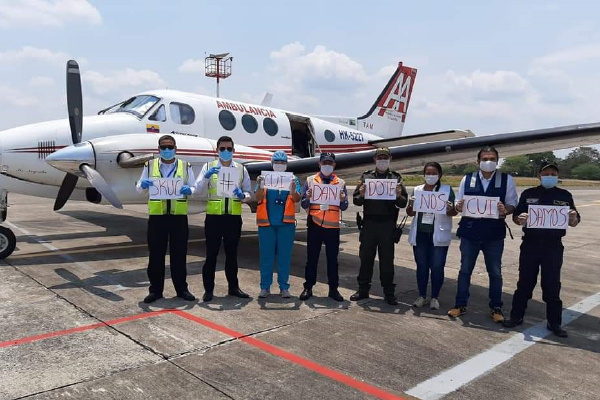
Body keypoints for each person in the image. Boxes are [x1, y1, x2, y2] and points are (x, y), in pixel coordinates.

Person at [503, 162, 580, 337]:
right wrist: (519, 219)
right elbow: (516, 217)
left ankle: (555, 323)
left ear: (557, 176)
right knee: (524, 283)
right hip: (530, 244)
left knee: (552, 286)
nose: (550, 176)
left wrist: (572, 218)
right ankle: (516, 317)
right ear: (539, 176)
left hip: (553, 246)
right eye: (546, 174)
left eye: (553, 173)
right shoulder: (529, 194)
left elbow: (574, 221)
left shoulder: (565, 195)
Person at [448, 146, 518, 322]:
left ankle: (496, 307)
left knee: (495, 272)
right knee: (465, 270)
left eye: (492, 158)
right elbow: (458, 202)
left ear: (497, 160)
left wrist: (505, 210)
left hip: (493, 234)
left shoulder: (507, 180)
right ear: (478, 161)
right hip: (470, 232)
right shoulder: (467, 178)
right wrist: (459, 206)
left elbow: (512, 204)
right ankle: (460, 304)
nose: (489, 162)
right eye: (485, 158)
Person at [136, 135, 196, 303]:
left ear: (175, 148)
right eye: (164, 147)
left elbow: (193, 187)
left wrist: (189, 190)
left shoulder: (185, 166)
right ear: (158, 149)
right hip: (157, 218)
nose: (167, 150)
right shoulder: (149, 166)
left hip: (178, 218)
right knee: (156, 255)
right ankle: (155, 291)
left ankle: (182, 289)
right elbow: (139, 188)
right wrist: (143, 185)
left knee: (179, 255)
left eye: (170, 147)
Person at [195, 136, 251, 302]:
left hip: (233, 218)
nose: (225, 152)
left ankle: (233, 287)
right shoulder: (208, 166)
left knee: (232, 255)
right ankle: (208, 290)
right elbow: (197, 189)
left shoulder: (241, 169)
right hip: (214, 218)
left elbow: (248, 192)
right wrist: (206, 176)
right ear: (217, 150)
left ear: (233, 151)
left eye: (229, 149)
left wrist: (243, 196)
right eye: (222, 149)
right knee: (211, 255)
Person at [350, 147, 408, 305]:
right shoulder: (366, 177)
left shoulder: (396, 178)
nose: (382, 160)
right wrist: (361, 194)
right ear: (374, 159)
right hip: (369, 223)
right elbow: (356, 201)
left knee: (387, 260)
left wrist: (398, 195)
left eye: (385, 158)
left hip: (387, 225)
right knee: (366, 258)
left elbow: (403, 203)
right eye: (380, 157)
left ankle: (389, 292)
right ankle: (363, 290)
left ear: (390, 160)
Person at [406, 162, 457, 310]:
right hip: (421, 233)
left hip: (438, 234)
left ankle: (435, 297)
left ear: (440, 175)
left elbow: (454, 213)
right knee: (421, 266)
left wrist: (450, 208)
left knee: (437, 267)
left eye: (434, 173)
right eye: (428, 173)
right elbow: (411, 213)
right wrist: (410, 205)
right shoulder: (417, 190)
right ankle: (422, 295)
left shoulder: (447, 190)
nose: (430, 176)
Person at [299, 152, 349, 301]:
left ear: (334, 165)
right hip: (315, 224)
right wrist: (307, 197)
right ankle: (308, 287)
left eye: (330, 163)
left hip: (332, 227)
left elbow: (345, 206)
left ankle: (333, 289)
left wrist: (342, 199)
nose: (327, 165)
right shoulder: (310, 180)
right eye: (324, 162)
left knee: (333, 259)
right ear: (319, 164)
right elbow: (303, 203)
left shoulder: (341, 183)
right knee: (311, 258)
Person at [255, 151, 302, 298]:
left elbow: (296, 198)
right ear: (272, 163)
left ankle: (284, 287)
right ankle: (265, 287)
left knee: (284, 257)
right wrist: (260, 185)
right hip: (267, 224)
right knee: (266, 257)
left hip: (286, 224)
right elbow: (258, 197)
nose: (280, 165)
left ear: (286, 164)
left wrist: (293, 190)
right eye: (277, 162)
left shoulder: (293, 179)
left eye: (282, 162)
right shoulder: (265, 178)